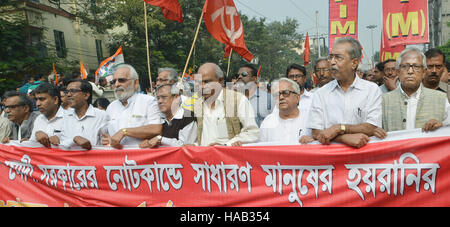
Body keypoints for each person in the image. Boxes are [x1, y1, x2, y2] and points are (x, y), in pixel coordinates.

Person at [308, 37, 386, 148]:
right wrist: (344, 138)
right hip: (332, 160)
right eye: (331, 57)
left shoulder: (371, 90)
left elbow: (372, 127)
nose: (332, 62)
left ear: (354, 63)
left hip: (364, 160)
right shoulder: (321, 93)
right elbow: (316, 132)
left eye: (338, 58)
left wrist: (339, 128)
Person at [382, 47, 450, 132]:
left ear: (423, 72)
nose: (410, 71)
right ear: (398, 72)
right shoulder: (383, 101)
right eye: (405, 66)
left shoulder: (441, 99)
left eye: (416, 66)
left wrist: (441, 126)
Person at [193, 62, 259, 146]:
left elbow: (252, 132)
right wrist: (194, 145)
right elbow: (202, 138)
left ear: (220, 81)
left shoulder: (238, 100)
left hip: (228, 157)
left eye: (206, 82)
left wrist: (225, 145)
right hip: (204, 157)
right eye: (199, 82)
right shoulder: (198, 104)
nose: (202, 86)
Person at [102, 64, 163, 149]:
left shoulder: (148, 101)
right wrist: (108, 140)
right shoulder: (111, 107)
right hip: (117, 158)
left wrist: (124, 132)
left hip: (143, 157)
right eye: (113, 81)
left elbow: (156, 129)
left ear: (136, 83)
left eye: (121, 80)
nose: (116, 84)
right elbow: (106, 135)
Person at [259, 78, 313, 144]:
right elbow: (261, 148)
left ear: (297, 98)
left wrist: (312, 141)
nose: (281, 97)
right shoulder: (268, 122)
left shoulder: (310, 119)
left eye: (286, 93)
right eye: (277, 94)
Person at [59, 79, 109, 150]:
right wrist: (74, 140)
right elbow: (62, 145)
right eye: (67, 92)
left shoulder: (101, 116)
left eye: (73, 91)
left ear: (86, 95)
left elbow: (107, 145)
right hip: (70, 160)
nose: (69, 95)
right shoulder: (65, 116)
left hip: (93, 159)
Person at [29, 83, 65, 147]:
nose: (37, 104)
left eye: (42, 99)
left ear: (55, 100)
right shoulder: (39, 119)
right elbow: (33, 145)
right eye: (36, 99)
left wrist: (61, 140)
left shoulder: (70, 118)